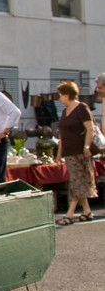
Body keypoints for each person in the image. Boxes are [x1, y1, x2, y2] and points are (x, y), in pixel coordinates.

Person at [54, 80, 96, 225]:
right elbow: (63, 134)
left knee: (76, 181)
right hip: (69, 151)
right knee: (77, 180)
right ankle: (86, 211)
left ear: (67, 95)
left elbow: (90, 128)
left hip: (79, 150)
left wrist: (86, 147)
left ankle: (70, 213)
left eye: (61, 95)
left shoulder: (81, 108)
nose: (60, 98)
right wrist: (59, 153)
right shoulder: (65, 112)